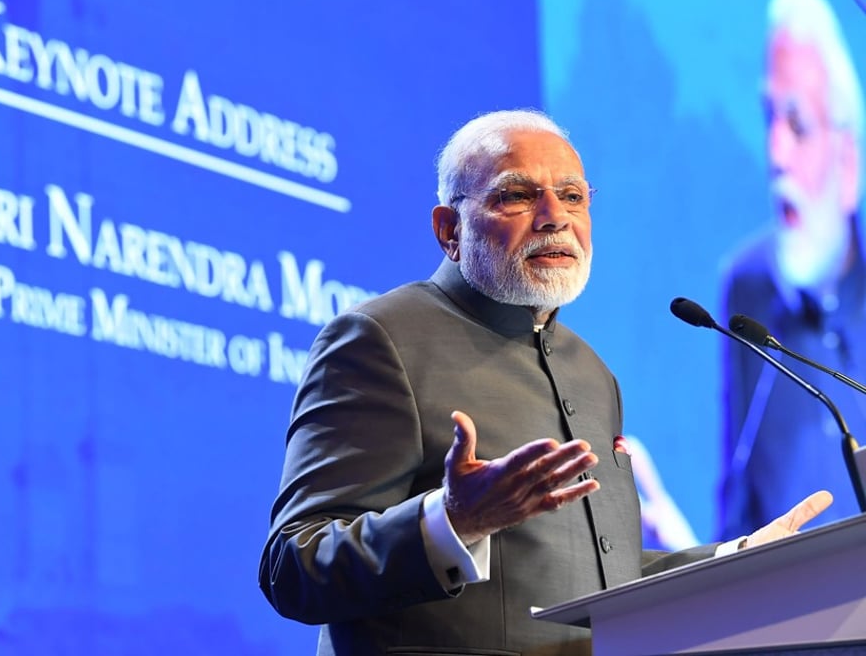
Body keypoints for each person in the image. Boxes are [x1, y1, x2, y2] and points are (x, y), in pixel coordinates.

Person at [260, 109, 831, 655]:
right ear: (449, 229)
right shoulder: (379, 338)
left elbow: (606, 573)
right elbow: (294, 564)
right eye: (516, 194)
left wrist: (738, 560)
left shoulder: (592, 371)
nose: (554, 215)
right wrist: (454, 521)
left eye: (573, 196)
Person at [720, 0, 865, 540]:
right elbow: (738, 508)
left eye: (798, 125)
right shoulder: (748, 287)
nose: (776, 155)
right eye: (769, 120)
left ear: (848, 161)